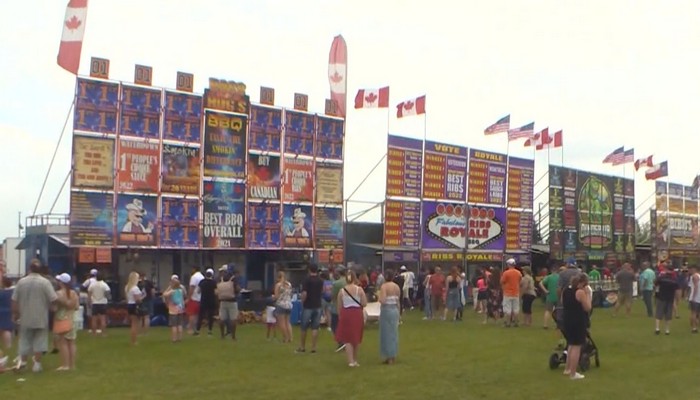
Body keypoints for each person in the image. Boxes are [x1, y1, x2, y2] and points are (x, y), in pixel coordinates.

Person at [12, 259, 58, 372]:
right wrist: (53, 308)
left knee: (24, 339)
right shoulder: (45, 282)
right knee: (40, 340)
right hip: (41, 316)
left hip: (25, 316)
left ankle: (22, 362)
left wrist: (15, 313)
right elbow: (53, 298)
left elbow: (14, 300)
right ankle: (37, 365)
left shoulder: (21, 282)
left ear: (29, 269)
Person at [562, 273, 592, 380]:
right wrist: (588, 294)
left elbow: (562, 302)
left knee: (570, 344)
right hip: (577, 320)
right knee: (577, 346)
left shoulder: (566, 290)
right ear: (582, 283)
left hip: (567, 319)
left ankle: (567, 368)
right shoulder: (579, 292)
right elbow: (588, 307)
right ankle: (573, 373)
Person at [335, 270, 367, 367]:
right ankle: (355, 359)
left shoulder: (342, 291)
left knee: (347, 338)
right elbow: (364, 303)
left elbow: (339, 306)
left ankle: (350, 361)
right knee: (356, 337)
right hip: (357, 313)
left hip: (346, 314)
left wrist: (340, 316)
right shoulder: (359, 290)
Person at [54, 273, 79, 371]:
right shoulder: (74, 293)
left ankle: (65, 365)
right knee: (72, 342)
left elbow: (55, 308)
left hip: (62, 318)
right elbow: (76, 307)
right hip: (72, 318)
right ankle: (72, 365)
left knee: (63, 342)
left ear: (61, 283)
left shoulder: (58, 294)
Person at [297, 264, 323, 354]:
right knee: (315, 327)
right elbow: (322, 291)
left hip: (308, 305)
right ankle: (313, 347)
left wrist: (302, 302)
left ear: (309, 270)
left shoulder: (306, 280)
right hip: (318, 305)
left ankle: (302, 347)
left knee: (304, 327)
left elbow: (304, 293)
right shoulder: (320, 280)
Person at [378, 269, 400, 365]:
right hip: (395, 310)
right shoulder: (396, 287)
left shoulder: (384, 286)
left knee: (386, 334)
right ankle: (393, 355)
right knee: (393, 333)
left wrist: (378, 297)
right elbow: (398, 301)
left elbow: (382, 300)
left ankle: (389, 356)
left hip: (386, 310)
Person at [216, 265, 239, 340]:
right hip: (232, 301)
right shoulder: (233, 279)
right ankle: (233, 336)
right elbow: (236, 290)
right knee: (233, 319)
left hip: (222, 301)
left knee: (222, 319)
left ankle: (222, 335)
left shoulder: (221, 278)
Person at [654, 270, 679, 335]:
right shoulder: (674, 280)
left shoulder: (661, 278)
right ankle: (667, 330)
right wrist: (677, 298)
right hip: (670, 299)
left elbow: (655, 283)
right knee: (668, 315)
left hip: (661, 297)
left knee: (658, 313)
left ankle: (657, 328)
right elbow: (677, 290)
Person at [163, 275, 186, 343]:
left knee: (174, 325)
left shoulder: (172, 291)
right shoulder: (180, 290)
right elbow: (184, 296)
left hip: (173, 310)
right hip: (180, 308)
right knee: (180, 324)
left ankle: (174, 338)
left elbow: (164, 294)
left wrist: (169, 288)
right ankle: (180, 338)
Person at [500, 259, 522, 327]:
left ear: (509, 264)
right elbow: (520, 281)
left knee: (508, 309)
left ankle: (508, 323)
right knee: (516, 308)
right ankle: (516, 323)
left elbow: (502, 281)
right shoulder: (518, 273)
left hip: (507, 293)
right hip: (516, 293)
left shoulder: (506, 273)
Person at [87, 272, 111, 336]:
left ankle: (94, 333)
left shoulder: (92, 285)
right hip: (103, 302)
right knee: (103, 319)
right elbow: (107, 294)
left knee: (94, 319)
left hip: (94, 303)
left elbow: (89, 294)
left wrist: (89, 302)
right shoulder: (104, 285)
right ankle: (103, 333)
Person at [273, 271, 293, 343]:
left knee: (281, 323)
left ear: (278, 277)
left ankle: (285, 338)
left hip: (281, 304)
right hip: (288, 304)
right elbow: (290, 294)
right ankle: (290, 337)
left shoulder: (278, 285)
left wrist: (273, 297)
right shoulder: (289, 284)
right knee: (288, 322)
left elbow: (276, 296)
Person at [196, 269, 217, 336]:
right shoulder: (214, 282)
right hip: (211, 301)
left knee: (201, 316)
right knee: (210, 316)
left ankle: (198, 330)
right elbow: (216, 292)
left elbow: (198, 291)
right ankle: (209, 331)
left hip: (203, 300)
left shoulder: (202, 282)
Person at [125, 271, 144, 346]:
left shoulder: (127, 287)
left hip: (129, 304)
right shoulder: (135, 288)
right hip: (135, 305)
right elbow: (138, 299)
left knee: (133, 323)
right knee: (135, 324)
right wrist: (142, 297)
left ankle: (133, 340)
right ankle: (134, 341)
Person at [330, 266, 347, 351]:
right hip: (348, 306)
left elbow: (332, 296)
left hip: (337, 307)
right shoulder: (349, 282)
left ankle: (341, 341)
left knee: (335, 325)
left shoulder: (336, 284)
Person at [0, 277, 14, 369]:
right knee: (7, 330)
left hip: (1, 312)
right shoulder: (13, 292)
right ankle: (8, 347)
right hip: (9, 312)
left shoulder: (1, 293)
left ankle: (3, 357)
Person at [186, 267, 204, 334]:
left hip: (194, 297)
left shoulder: (194, 277)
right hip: (200, 298)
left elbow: (192, 287)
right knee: (196, 314)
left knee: (191, 314)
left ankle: (190, 328)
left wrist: (188, 297)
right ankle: (195, 328)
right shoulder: (202, 277)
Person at [688, 265, 700, 333]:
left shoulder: (694, 276)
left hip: (695, 298)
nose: (689, 270)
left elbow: (695, 287)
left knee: (693, 313)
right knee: (697, 313)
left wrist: (693, 297)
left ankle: (694, 328)